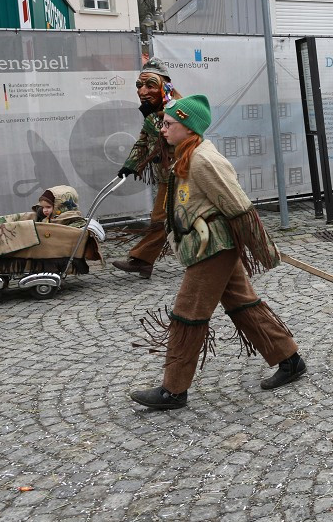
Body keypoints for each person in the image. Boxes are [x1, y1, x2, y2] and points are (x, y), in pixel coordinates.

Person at [130, 95, 305, 410]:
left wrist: (264, 249)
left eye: (169, 124)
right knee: (243, 305)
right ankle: (289, 358)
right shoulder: (184, 154)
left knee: (187, 314)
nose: (163, 129)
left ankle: (173, 390)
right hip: (206, 245)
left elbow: (238, 206)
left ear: (188, 128)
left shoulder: (203, 160)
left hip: (212, 248)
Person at [113, 59, 181, 280]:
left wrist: (152, 117)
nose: (142, 91)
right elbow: (143, 142)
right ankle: (143, 262)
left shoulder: (179, 108)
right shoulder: (153, 112)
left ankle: (141, 260)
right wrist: (129, 166)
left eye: (150, 85)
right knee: (166, 219)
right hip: (167, 177)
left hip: (185, 174)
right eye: (139, 86)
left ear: (165, 86)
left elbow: (174, 139)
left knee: (163, 219)